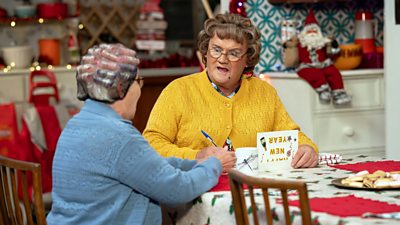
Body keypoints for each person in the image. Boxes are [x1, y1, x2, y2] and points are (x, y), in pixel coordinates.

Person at [46, 44, 236, 225]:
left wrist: (196, 163)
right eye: (138, 81)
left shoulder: (77, 124)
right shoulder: (118, 136)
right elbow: (178, 190)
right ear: (121, 88)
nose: (140, 87)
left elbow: (149, 166)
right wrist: (215, 164)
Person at [143, 13, 319, 169]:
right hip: (195, 189)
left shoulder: (264, 92)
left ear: (247, 59)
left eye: (233, 53)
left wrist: (307, 149)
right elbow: (151, 144)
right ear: (205, 52)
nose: (222, 58)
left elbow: (293, 136)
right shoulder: (178, 91)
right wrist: (196, 157)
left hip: (253, 190)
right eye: (216, 49)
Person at [293, 9, 352, 105]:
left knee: (333, 72)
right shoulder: (301, 43)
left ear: (319, 32)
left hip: (324, 64)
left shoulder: (323, 43)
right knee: (314, 74)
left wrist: (333, 45)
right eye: (309, 31)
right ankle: (323, 90)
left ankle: (339, 93)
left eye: (314, 31)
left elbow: (332, 54)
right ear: (304, 32)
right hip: (308, 66)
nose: (312, 33)